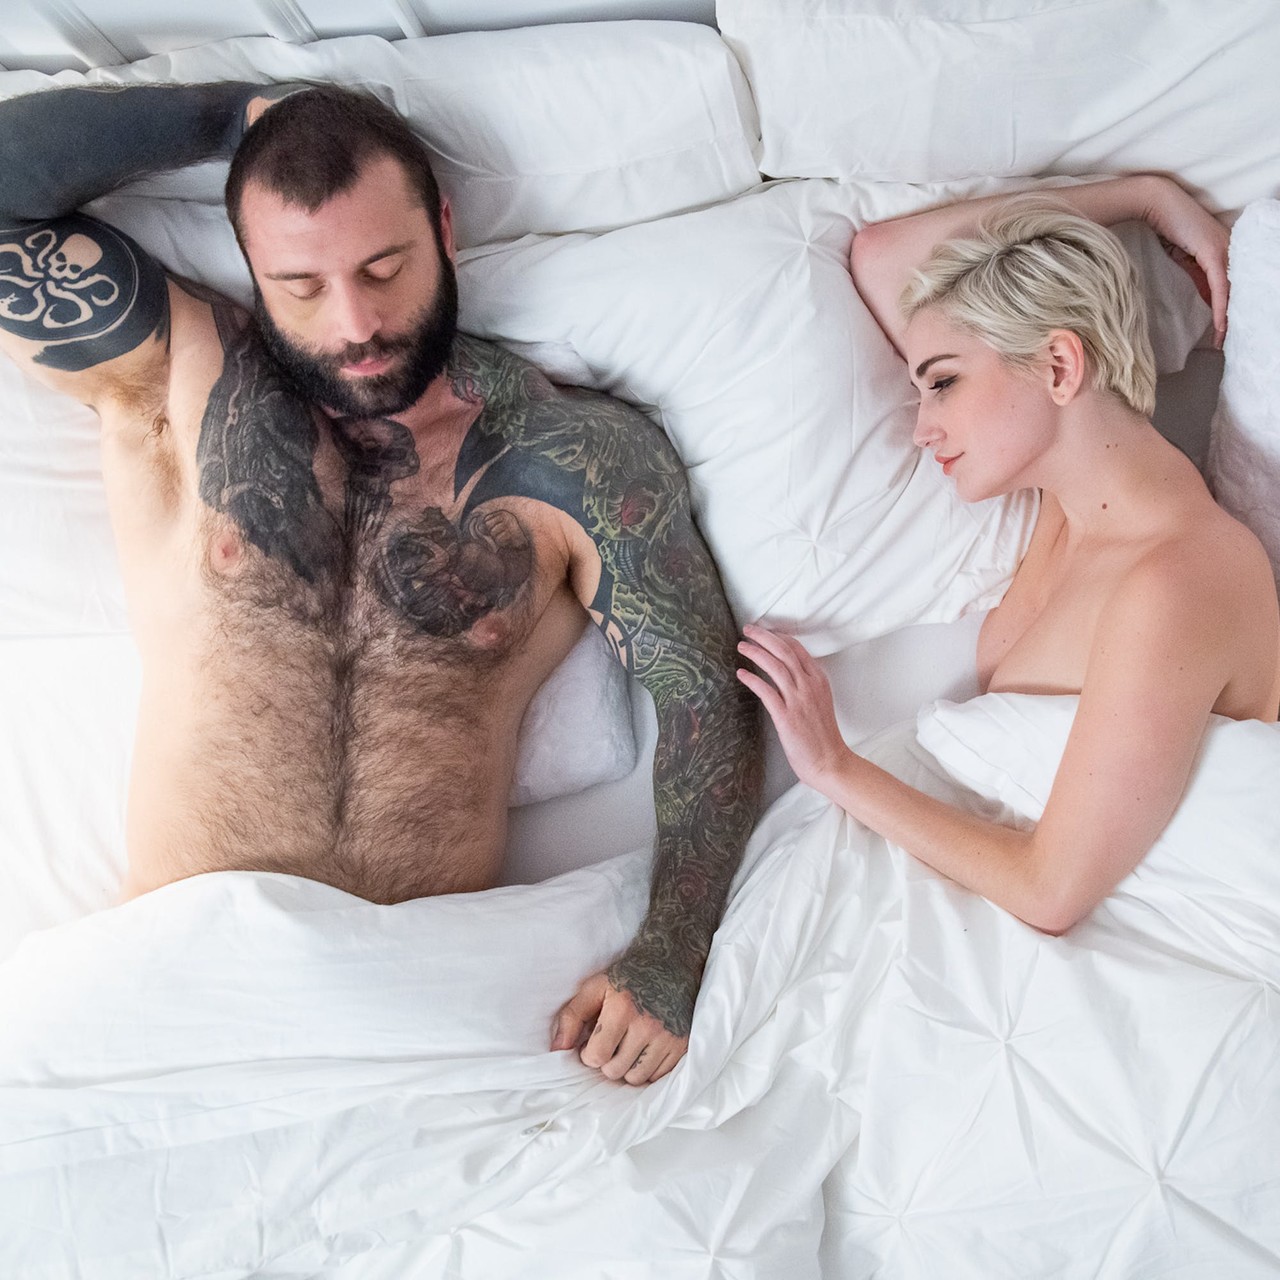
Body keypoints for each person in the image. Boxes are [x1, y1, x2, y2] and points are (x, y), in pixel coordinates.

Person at [0, 82, 761, 1085]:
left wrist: (670, 950)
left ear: (442, 228)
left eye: (383, 268)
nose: (354, 323)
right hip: (178, 986)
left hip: (422, 1004)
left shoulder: (571, 457)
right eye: (301, 286)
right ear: (252, 266)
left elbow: (704, 696)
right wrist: (232, 121)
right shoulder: (194, 382)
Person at [739, 178, 1280, 935]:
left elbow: (1051, 891)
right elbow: (882, 257)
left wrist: (835, 766)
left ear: (1058, 366)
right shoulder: (1065, 513)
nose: (921, 428)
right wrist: (1149, 198)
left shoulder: (1180, 581)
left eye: (943, 383)